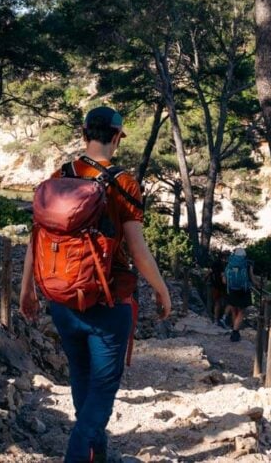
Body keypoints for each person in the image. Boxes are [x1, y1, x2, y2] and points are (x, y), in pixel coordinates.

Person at [20, 105, 172, 463]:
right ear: (117, 137)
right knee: (101, 391)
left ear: (84, 132)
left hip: (61, 299)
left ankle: (96, 454)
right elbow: (137, 248)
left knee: (82, 380)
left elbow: (37, 237)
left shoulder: (61, 174)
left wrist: (28, 287)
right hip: (109, 300)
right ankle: (79, 453)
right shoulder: (125, 183)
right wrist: (161, 288)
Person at [223, 247, 255, 342]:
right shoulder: (248, 264)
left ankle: (234, 329)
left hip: (232, 290)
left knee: (234, 310)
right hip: (243, 290)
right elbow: (252, 278)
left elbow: (224, 280)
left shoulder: (230, 263)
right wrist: (257, 284)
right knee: (242, 311)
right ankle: (235, 331)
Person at [208, 251, 228, 327]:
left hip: (215, 285)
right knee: (225, 302)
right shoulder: (224, 265)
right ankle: (222, 318)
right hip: (223, 286)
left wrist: (205, 278)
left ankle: (216, 319)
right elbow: (223, 275)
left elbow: (210, 271)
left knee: (217, 302)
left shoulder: (215, 263)